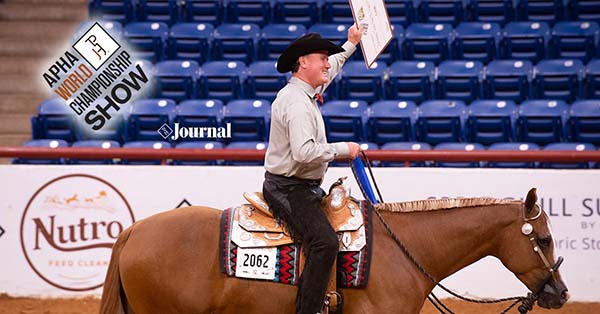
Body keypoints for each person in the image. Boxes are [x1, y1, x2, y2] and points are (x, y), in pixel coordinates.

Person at [262, 24, 365, 314]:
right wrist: (344, 149)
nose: (326, 62)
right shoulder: (296, 103)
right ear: (303, 63)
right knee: (325, 243)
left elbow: (330, 68)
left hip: (295, 185)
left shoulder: (302, 91)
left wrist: (351, 43)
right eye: (321, 57)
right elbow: (305, 152)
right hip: (289, 189)